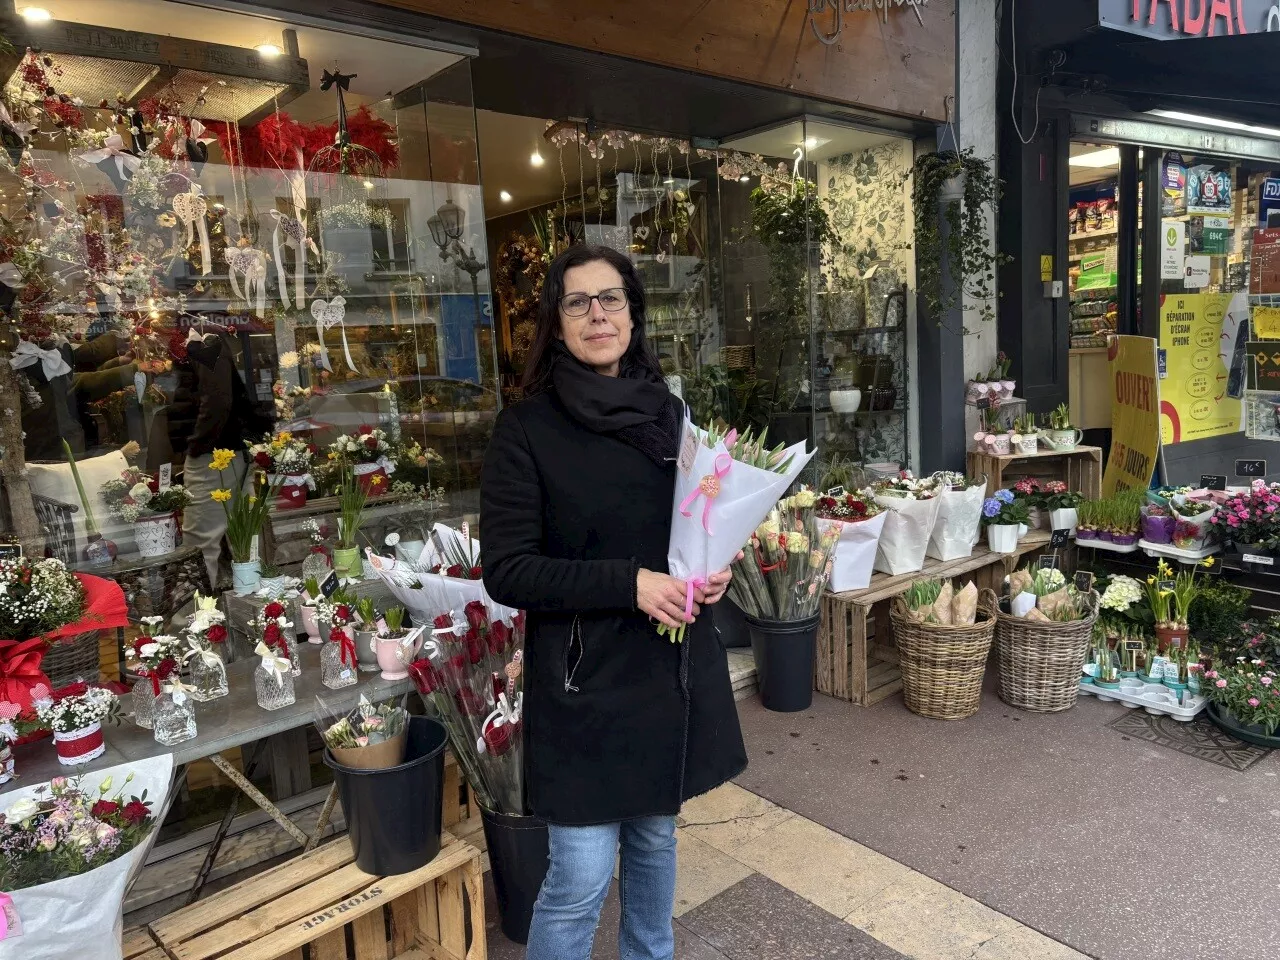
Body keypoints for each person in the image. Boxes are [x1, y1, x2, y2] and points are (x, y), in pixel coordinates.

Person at [480, 245, 747, 960]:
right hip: (582, 684)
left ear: (633, 312)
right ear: (556, 322)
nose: (597, 314)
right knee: (581, 876)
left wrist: (708, 568)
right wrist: (630, 584)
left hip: (665, 674)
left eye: (612, 299)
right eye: (578, 302)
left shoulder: (670, 414)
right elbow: (507, 571)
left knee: (656, 841)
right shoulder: (526, 429)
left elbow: (692, 526)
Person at [168, 326, 271, 589]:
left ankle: (192, 622)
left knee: (201, 543)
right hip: (229, 452)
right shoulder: (210, 346)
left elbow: (217, 401)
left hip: (214, 459)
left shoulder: (205, 347)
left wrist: (197, 446)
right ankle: (250, 609)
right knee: (243, 538)